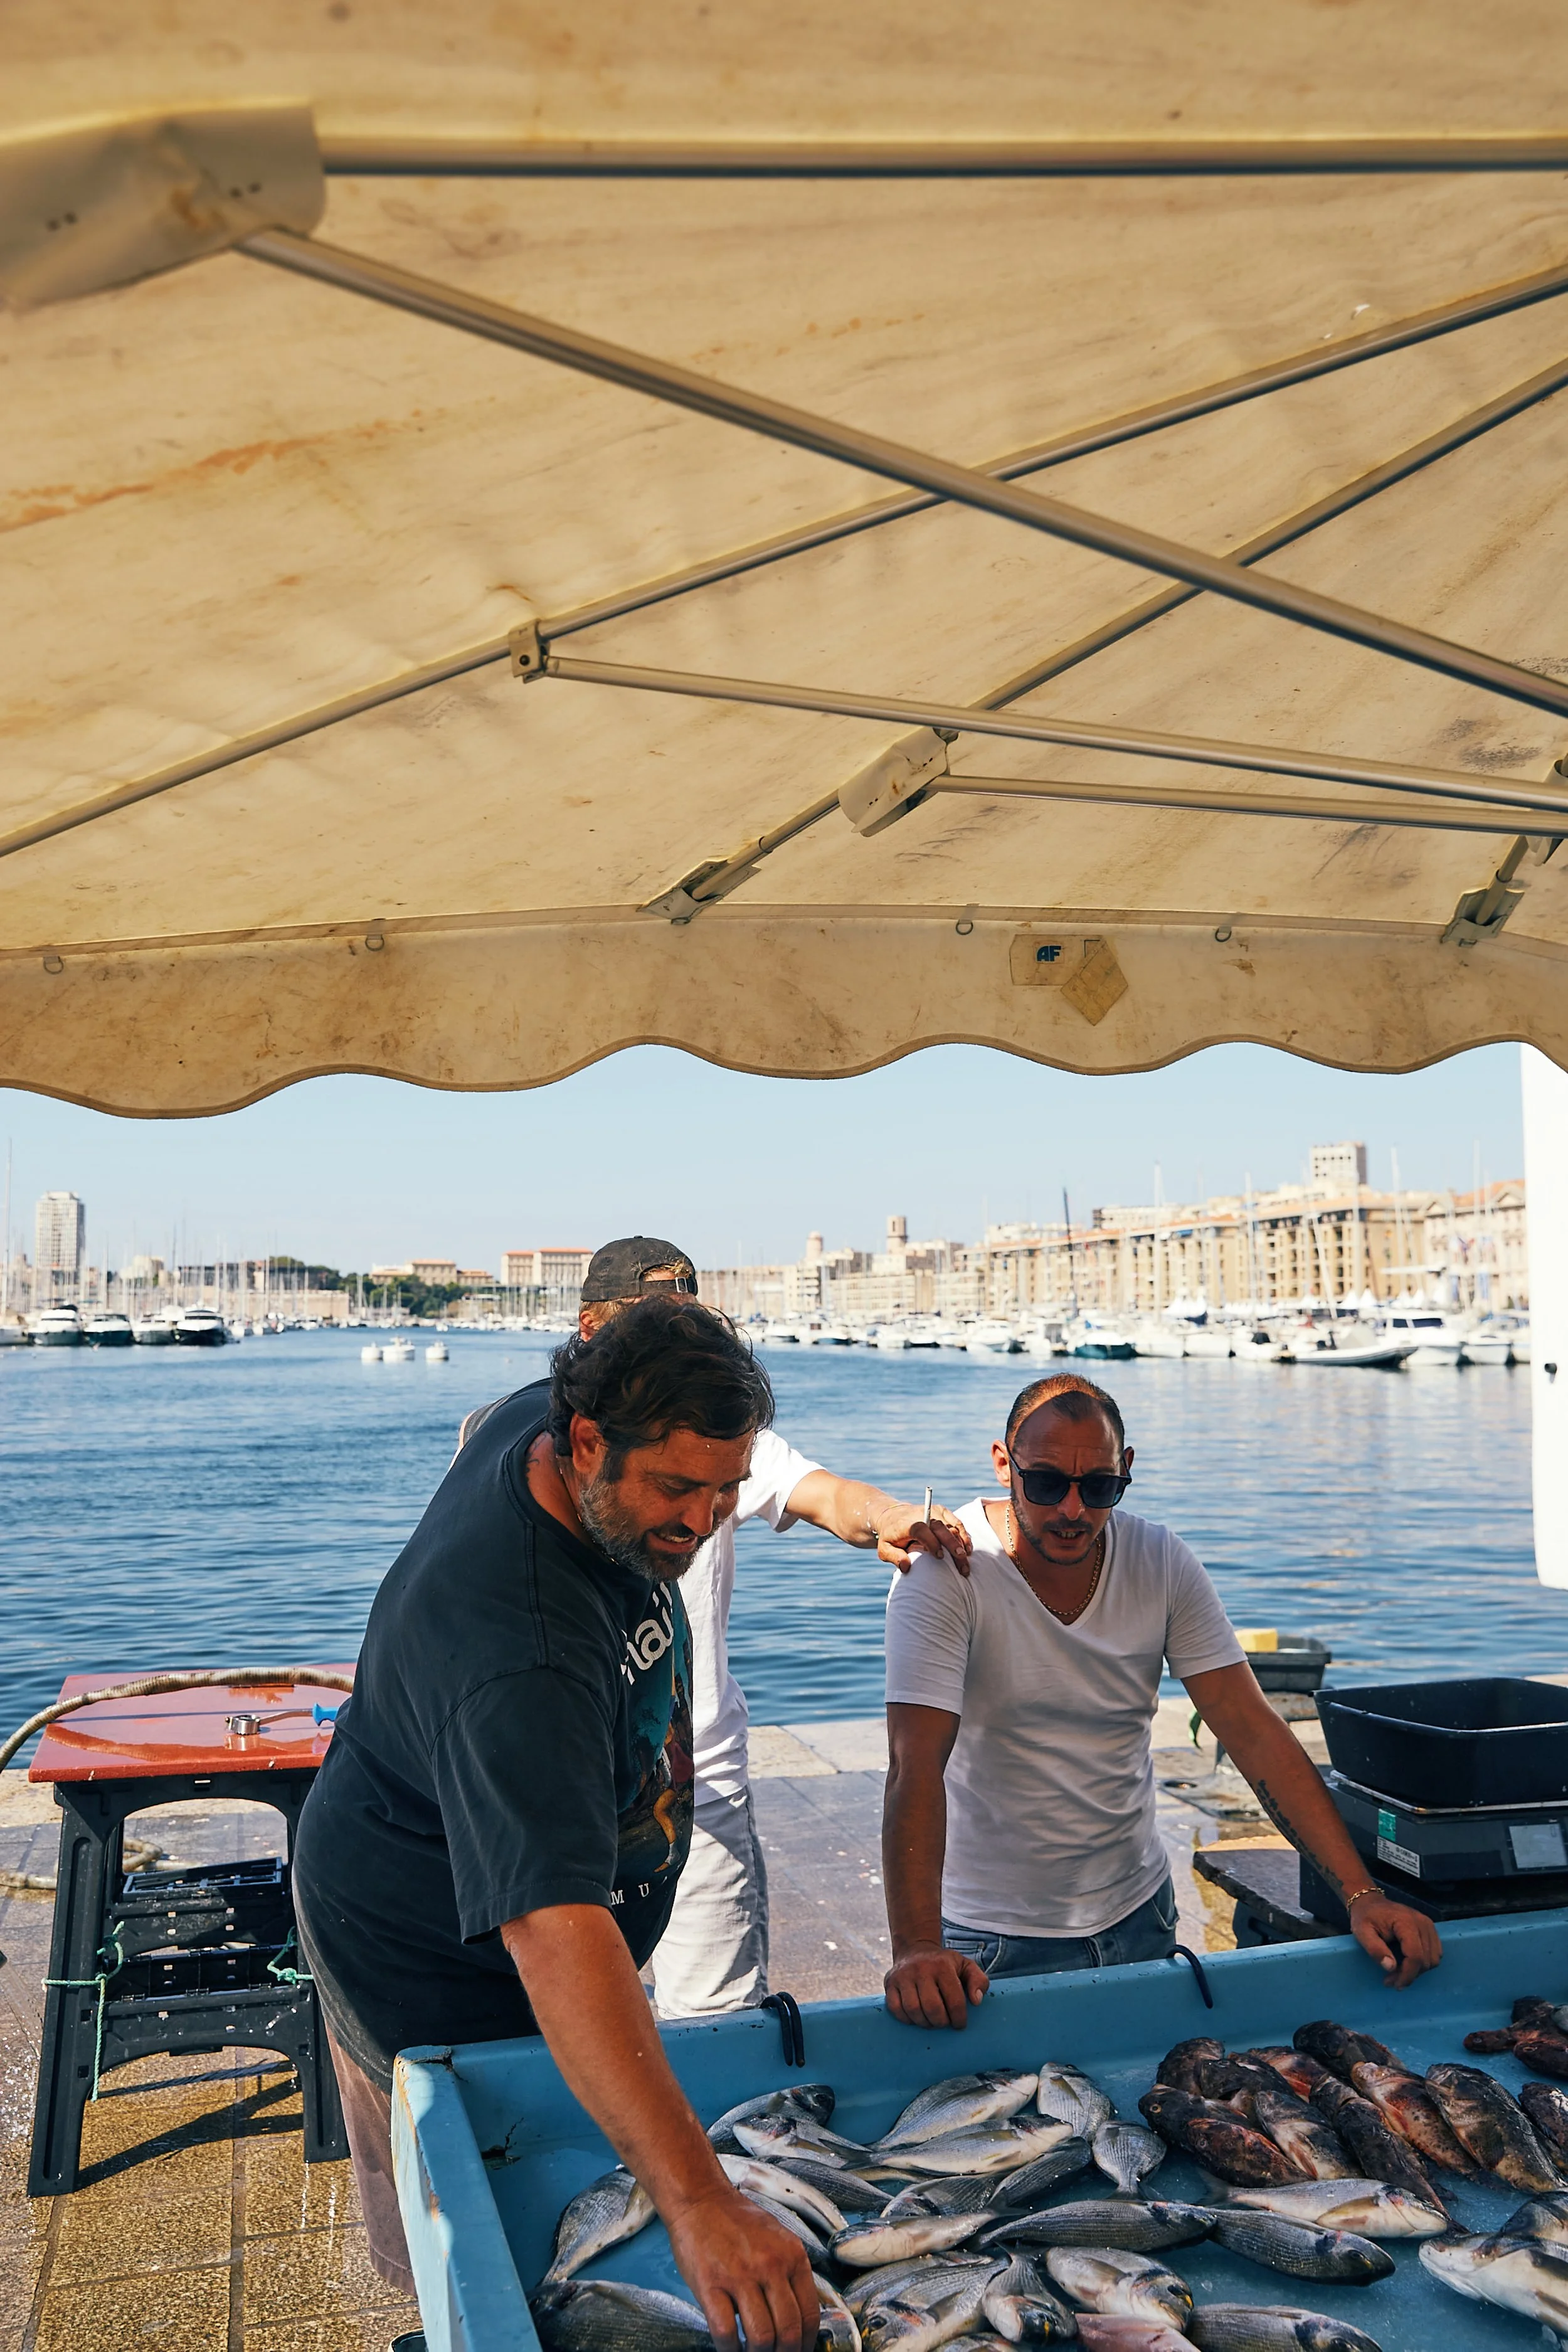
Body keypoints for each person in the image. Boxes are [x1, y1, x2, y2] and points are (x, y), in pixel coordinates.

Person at [293, 1296, 818, 2352]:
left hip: (495, 1853)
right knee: (497, 2265)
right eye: (676, 1489)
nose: (704, 1521)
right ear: (585, 1443)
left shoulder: (553, 1408)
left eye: (727, 1490)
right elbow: (555, 1930)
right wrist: (702, 2203)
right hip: (426, 1955)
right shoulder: (517, 1654)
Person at [459, 1234, 971, 2015]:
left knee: (717, 2025)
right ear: (590, 1329)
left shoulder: (724, 1430)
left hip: (696, 1784)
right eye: (651, 1323)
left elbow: (823, 1494)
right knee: (553, 2032)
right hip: (553, 1790)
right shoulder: (511, 1438)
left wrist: (891, 1516)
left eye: (688, 1321)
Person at [881, 1370, 1442, 2028]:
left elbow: (1251, 1730)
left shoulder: (1161, 1560)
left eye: (1098, 1489)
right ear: (1004, 1463)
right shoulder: (945, 1575)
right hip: (991, 1939)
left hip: (1138, 1915)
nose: (1071, 1511)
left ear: (1124, 1471)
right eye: (1045, 1484)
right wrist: (917, 1947)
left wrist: (1360, 1895)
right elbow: (913, 1765)